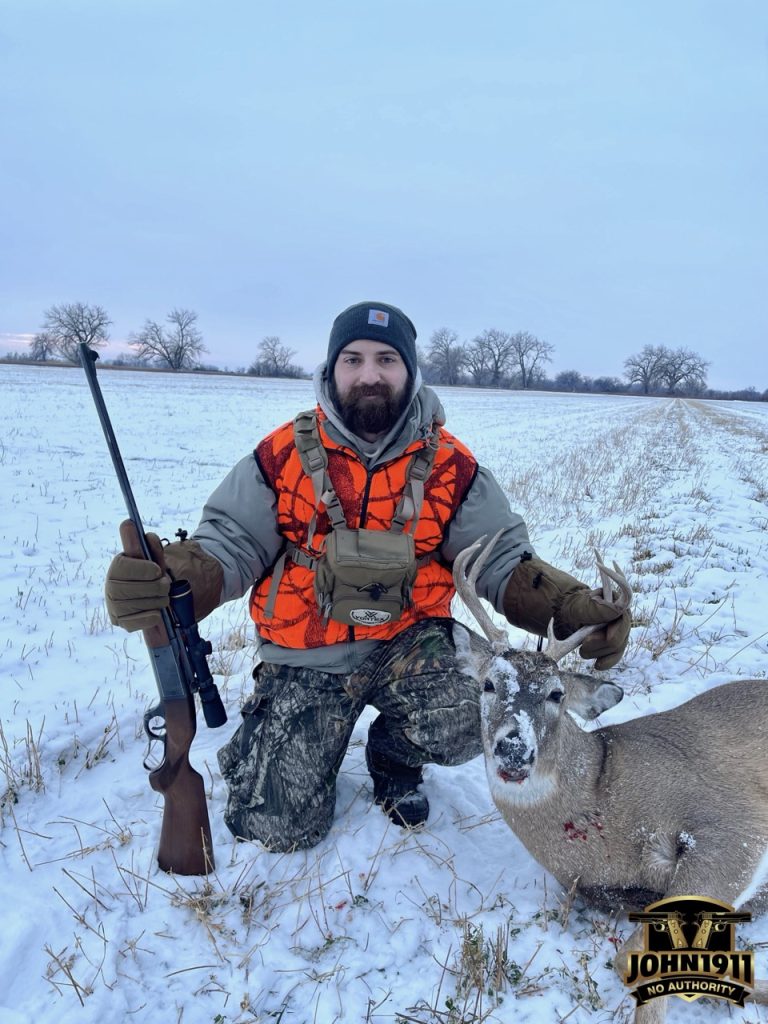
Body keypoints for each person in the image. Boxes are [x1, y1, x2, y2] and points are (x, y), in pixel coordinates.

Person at [105, 300, 630, 851]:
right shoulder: (281, 454)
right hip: (306, 653)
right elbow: (230, 544)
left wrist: (569, 607)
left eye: (386, 359)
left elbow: (503, 563)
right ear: (331, 370)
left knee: (481, 707)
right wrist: (178, 579)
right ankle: (266, 742)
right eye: (352, 359)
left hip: (409, 643)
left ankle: (393, 754)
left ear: (410, 370)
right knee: (278, 830)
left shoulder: (453, 467)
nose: (369, 374)